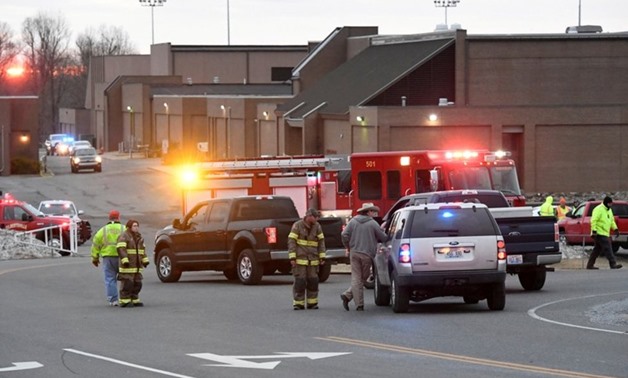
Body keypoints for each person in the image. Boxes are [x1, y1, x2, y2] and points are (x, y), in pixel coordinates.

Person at [340, 203, 388, 311]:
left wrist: (348, 246)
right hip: (367, 255)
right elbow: (383, 237)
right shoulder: (373, 223)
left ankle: (348, 296)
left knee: (357, 278)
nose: (374, 213)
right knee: (362, 278)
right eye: (372, 211)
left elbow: (344, 235)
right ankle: (359, 305)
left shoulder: (353, 222)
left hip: (354, 253)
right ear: (368, 212)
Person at [288, 208, 326, 310]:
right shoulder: (297, 225)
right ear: (309, 216)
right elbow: (291, 241)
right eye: (315, 217)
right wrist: (292, 257)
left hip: (313, 259)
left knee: (313, 281)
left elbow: (321, 242)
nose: (317, 219)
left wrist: (322, 256)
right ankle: (298, 303)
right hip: (300, 259)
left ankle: (312, 303)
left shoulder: (317, 226)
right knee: (300, 281)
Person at [91, 210, 125, 306]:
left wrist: (95, 258)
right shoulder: (124, 228)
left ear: (109, 218)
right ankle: (125, 298)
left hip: (108, 257)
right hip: (122, 257)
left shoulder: (103, 230)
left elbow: (95, 244)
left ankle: (113, 300)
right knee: (125, 278)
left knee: (110, 279)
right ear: (119, 217)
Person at [116, 219, 150, 307]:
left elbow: (142, 250)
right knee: (127, 283)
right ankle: (124, 301)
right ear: (129, 227)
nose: (136, 227)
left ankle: (135, 299)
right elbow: (121, 248)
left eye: (137, 226)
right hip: (127, 265)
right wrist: (125, 260)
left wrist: (145, 260)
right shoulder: (124, 236)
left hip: (137, 266)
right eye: (134, 226)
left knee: (138, 283)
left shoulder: (139, 237)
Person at [586, 196, 623, 270]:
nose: (610, 205)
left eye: (611, 204)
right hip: (599, 232)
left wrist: (615, 229)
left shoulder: (609, 210)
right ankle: (613, 263)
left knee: (597, 250)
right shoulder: (598, 209)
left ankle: (590, 265)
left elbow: (611, 220)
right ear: (606, 203)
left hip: (605, 232)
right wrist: (594, 231)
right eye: (609, 204)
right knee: (608, 247)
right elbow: (594, 220)